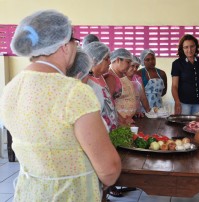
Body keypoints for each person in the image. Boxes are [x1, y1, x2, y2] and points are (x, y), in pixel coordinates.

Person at [0, 10, 121, 201]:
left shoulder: (10, 89)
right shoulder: (74, 92)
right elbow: (109, 170)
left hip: (30, 193)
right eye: (75, 41)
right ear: (64, 46)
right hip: (70, 195)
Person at [82, 42, 118, 132]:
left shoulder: (101, 77)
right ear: (95, 60)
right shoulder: (87, 81)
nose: (110, 62)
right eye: (106, 59)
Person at [171, 34, 199, 115]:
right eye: (186, 47)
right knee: (182, 126)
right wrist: (177, 102)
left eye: (192, 46)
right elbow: (174, 86)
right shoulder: (177, 64)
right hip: (183, 103)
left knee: (197, 125)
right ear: (182, 48)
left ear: (196, 47)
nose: (189, 50)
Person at [105, 48, 136, 126]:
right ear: (118, 60)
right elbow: (109, 104)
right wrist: (122, 120)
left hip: (128, 121)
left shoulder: (123, 75)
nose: (129, 66)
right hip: (119, 122)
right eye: (128, 62)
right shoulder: (110, 77)